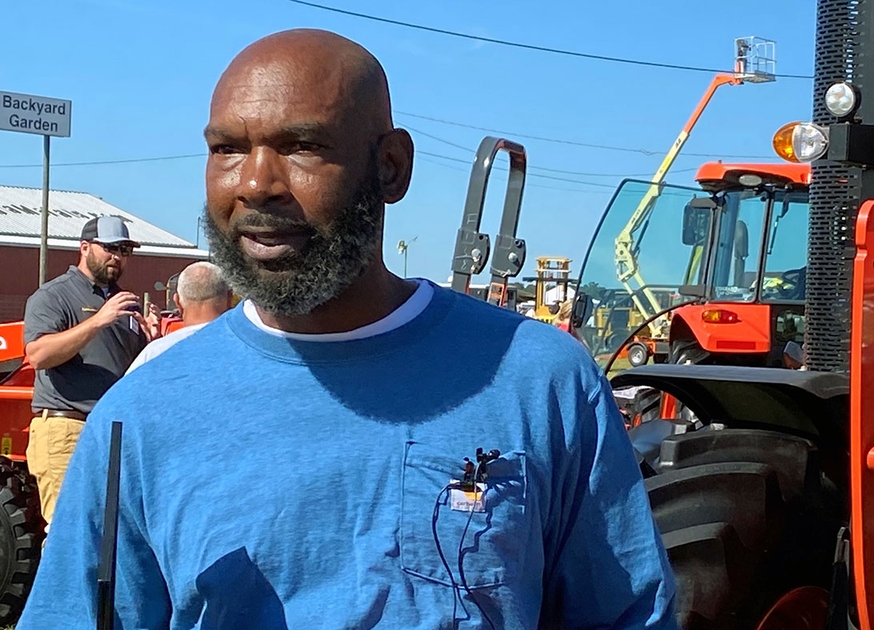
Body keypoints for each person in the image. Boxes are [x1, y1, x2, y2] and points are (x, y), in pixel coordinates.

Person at [19, 28, 676, 630]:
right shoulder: (141, 416)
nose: (255, 183)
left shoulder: (541, 383)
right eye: (227, 150)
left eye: (302, 146)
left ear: (391, 167)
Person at [21, 214, 158, 534]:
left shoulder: (126, 304)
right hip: (66, 429)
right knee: (70, 535)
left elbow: (132, 374)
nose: (118, 257)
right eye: (110, 248)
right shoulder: (54, 296)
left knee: (112, 535)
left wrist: (151, 342)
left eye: (125, 250)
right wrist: (98, 321)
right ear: (84, 248)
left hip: (112, 432)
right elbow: (38, 355)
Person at [125, 261, 232, 374]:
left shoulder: (155, 353)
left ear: (177, 301)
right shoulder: (246, 348)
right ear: (229, 299)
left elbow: (123, 390)